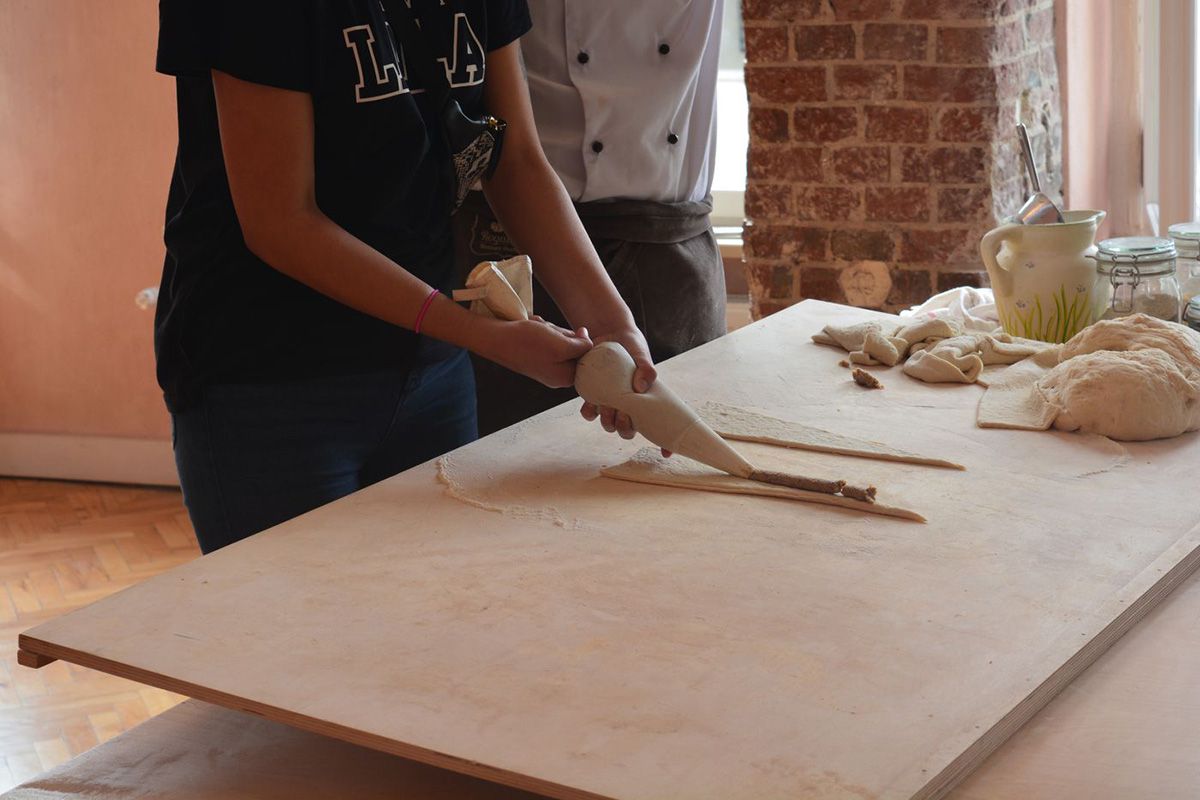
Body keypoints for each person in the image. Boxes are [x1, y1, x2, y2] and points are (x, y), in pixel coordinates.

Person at [154, 0, 654, 554]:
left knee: (442, 604)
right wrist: (479, 334)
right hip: (271, 385)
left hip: (430, 375)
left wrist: (612, 324)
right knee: (302, 609)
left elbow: (513, 160)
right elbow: (281, 222)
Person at [455, 0, 728, 436]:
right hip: (516, 239)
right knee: (509, 455)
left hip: (669, 249)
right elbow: (513, 158)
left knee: (687, 452)